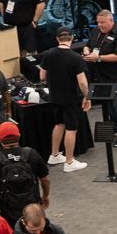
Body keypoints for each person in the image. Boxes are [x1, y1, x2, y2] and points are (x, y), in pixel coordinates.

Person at [39, 27, 91, 173]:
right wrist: (87, 97)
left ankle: (54, 154)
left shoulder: (48, 54)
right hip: (71, 99)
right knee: (71, 129)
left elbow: (42, 76)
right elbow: (83, 83)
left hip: (54, 97)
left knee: (59, 124)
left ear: (57, 39)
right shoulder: (75, 58)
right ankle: (69, 162)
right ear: (72, 38)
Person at [0, 120, 52, 223]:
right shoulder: (32, 154)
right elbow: (45, 180)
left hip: (9, 211)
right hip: (33, 207)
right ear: (19, 136)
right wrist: (45, 196)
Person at [85, 8, 117, 148]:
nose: (100, 25)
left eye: (103, 22)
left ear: (111, 21)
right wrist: (87, 51)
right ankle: (116, 129)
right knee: (108, 106)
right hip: (100, 77)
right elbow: (88, 45)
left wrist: (98, 58)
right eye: (98, 22)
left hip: (115, 77)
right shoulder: (95, 32)